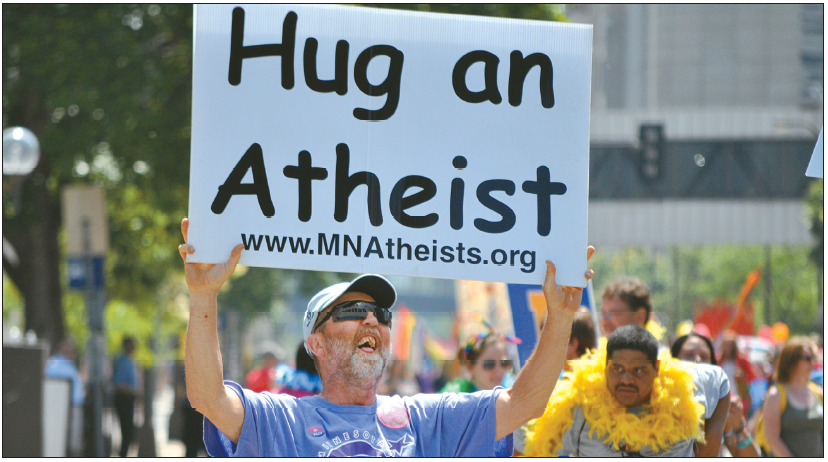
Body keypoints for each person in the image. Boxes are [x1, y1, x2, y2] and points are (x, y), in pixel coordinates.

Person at [177, 218, 594, 457]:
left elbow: (526, 403)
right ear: (316, 343)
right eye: (354, 312)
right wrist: (203, 297)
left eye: (381, 314)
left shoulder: (426, 419)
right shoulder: (281, 421)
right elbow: (208, 398)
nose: (372, 321)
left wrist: (560, 317)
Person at [523, 325, 731, 457]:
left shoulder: (685, 387)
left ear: (657, 368)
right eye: (617, 369)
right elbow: (527, 447)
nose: (626, 380)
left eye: (639, 370)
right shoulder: (579, 403)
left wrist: (707, 451)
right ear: (605, 366)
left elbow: (721, 383)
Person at [672, 332, 760, 457]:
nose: (697, 360)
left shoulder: (720, 399)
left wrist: (738, 426)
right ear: (673, 361)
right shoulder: (657, 398)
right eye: (689, 355)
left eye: (704, 356)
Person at [760, 336, 823, 457]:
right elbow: (772, 439)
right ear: (790, 361)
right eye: (807, 358)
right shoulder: (775, 395)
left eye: (814, 358)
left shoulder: (819, 393)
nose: (813, 363)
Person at [440, 330, 515, 393]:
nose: (499, 371)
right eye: (489, 364)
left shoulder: (516, 396)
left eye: (504, 363)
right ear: (470, 366)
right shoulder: (453, 402)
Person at [45, 338, 85, 456]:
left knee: (73, 441)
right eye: (68, 348)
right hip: (64, 407)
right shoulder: (55, 363)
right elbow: (53, 377)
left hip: (74, 406)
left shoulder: (70, 364)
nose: (71, 351)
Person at [718, 330, 758, 415]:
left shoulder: (741, 360)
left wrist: (743, 376)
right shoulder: (719, 360)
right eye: (726, 345)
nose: (727, 348)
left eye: (730, 345)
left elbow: (752, 377)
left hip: (738, 395)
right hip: (722, 396)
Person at [112, 336, 139, 457]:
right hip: (123, 400)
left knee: (129, 432)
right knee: (127, 432)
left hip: (129, 400)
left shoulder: (130, 361)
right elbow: (119, 384)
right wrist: (132, 391)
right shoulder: (122, 361)